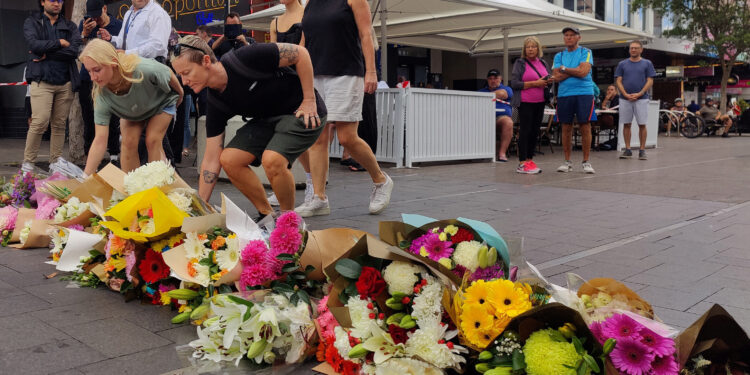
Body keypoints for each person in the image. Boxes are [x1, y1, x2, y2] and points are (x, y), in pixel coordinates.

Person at [171, 36, 325, 221]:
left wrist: (309, 100)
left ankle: (288, 222)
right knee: (229, 159)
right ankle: (267, 215)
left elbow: (301, 53)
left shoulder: (245, 57)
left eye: (186, 72)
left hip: (301, 111)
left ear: (205, 61)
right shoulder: (215, 102)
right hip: (268, 118)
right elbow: (211, 160)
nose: (184, 81)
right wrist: (200, 209)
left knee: (272, 159)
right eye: (180, 75)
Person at [297, 0, 394, 217]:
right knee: (317, 137)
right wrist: (297, 74)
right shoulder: (310, 3)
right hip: (315, 75)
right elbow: (303, 43)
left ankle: (381, 180)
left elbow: (366, 34)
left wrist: (371, 71)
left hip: (346, 73)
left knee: (347, 137)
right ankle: (319, 198)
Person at [79, 39, 183, 175]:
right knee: (128, 142)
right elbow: (99, 140)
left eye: (97, 70)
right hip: (133, 109)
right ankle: (131, 189)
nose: (93, 77)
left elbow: (167, 73)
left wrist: (180, 93)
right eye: (89, 71)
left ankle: (156, 188)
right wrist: (85, 177)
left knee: (152, 140)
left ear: (113, 63)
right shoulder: (101, 94)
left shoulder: (143, 68)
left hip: (160, 101)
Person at [22, 0, 82, 173]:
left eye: (60, 1)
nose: (57, 4)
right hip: (42, 80)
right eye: (52, 0)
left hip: (65, 82)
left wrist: (46, 52)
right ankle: (28, 163)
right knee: (39, 122)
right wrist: (60, 43)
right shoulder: (32, 22)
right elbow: (34, 45)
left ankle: (55, 163)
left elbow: (74, 51)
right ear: (42, 2)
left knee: (59, 124)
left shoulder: (69, 26)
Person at [79, 0, 123, 167]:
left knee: (113, 117)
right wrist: (84, 34)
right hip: (88, 78)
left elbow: (123, 49)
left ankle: (113, 154)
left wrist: (110, 39)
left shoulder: (118, 25)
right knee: (89, 118)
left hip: (111, 79)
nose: (95, 19)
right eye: (92, 16)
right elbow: (78, 52)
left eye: (98, 15)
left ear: (105, 9)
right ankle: (90, 156)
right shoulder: (85, 25)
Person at [552, 27, 596, 174]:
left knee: (585, 125)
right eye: (566, 35)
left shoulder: (586, 52)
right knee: (566, 127)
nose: (569, 38)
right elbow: (556, 77)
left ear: (579, 37)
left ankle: (586, 162)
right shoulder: (558, 55)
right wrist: (573, 70)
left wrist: (564, 69)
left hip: (584, 93)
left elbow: (583, 73)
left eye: (572, 35)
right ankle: (567, 161)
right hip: (564, 94)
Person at [510, 36, 551, 174]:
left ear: (538, 48)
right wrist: (535, 83)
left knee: (535, 131)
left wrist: (548, 81)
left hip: (540, 102)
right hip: (526, 101)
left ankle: (529, 159)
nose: (531, 49)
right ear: (524, 49)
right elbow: (514, 84)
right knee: (525, 131)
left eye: (533, 46)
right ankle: (522, 163)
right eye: (528, 47)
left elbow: (545, 79)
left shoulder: (543, 63)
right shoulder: (520, 63)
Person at [615, 40, 656, 160]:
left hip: (642, 99)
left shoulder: (647, 63)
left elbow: (650, 80)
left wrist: (640, 93)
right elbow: (618, 80)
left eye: (636, 48)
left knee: (642, 124)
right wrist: (625, 94)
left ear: (641, 49)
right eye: (631, 48)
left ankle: (642, 150)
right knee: (626, 124)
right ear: (629, 50)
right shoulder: (622, 64)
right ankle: (627, 149)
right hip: (624, 99)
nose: (633, 50)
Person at [97, 0, 171, 63]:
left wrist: (127, 54)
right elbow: (124, 42)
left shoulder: (157, 13)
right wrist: (111, 38)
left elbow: (158, 46)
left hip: (149, 68)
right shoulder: (129, 13)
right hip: (130, 66)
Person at [479, 69, 514, 162]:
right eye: (490, 78)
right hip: (483, 118)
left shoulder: (507, 88)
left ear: (500, 79)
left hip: (500, 118)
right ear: (487, 80)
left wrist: (483, 97)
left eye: (495, 78)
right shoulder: (481, 91)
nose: (493, 80)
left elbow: (502, 94)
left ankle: (502, 153)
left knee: (508, 123)